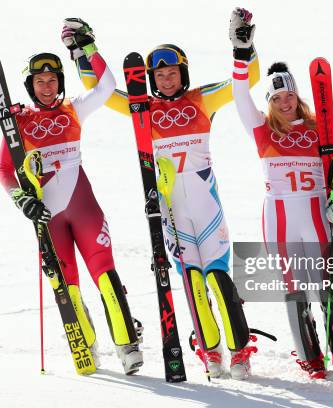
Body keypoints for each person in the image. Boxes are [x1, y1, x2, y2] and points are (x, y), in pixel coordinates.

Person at [75, 8, 260, 380]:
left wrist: (245, 47)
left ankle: (240, 351)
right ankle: (209, 351)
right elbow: (102, 92)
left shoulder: (202, 99)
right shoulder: (143, 108)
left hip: (207, 204)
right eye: (159, 74)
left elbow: (246, 81)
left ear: (183, 73)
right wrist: (83, 50)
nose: (167, 79)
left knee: (218, 279)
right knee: (191, 279)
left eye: (172, 72)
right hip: (170, 209)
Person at [0, 18, 143, 375]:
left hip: (83, 208)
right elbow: (4, 170)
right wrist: (22, 199)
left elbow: (107, 87)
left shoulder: (73, 109)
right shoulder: (19, 123)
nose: (47, 87)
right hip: (48, 217)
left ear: (60, 82)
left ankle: (128, 345)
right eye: (39, 81)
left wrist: (88, 48)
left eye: (52, 80)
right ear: (30, 86)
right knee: (68, 288)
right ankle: (87, 344)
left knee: (106, 277)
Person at [230, 18, 333, 380]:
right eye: (276, 98)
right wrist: (241, 55)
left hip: (317, 212)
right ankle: (310, 357)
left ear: (297, 96)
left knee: (326, 285)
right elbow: (240, 94)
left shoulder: (322, 126)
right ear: (269, 103)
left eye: (288, 96)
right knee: (293, 286)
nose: (284, 104)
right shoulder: (262, 130)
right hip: (279, 216)